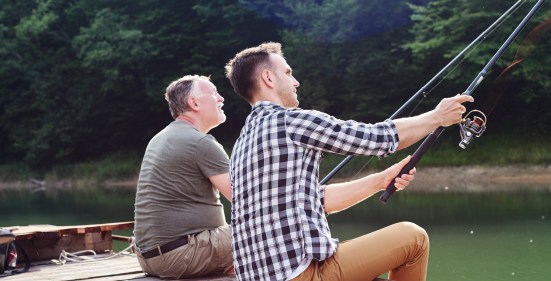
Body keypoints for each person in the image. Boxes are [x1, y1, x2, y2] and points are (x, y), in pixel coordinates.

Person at [225, 42, 473, 281]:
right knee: (414, 238)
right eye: (288, 73)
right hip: (300, 275)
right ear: (268, 78)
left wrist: (380, 180)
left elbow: (315, 199)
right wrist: (437, 117)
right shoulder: (291, 122)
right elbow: (378, 138)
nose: (295, 81)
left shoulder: (242, 145)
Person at [133, 75, 234, 279]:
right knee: (269, 226)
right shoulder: (200, 143)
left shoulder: (160, 138)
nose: (221, 98)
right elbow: (246, 200)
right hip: (179, 256)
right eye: (214, 93)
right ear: (194, 103)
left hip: (149, 258)